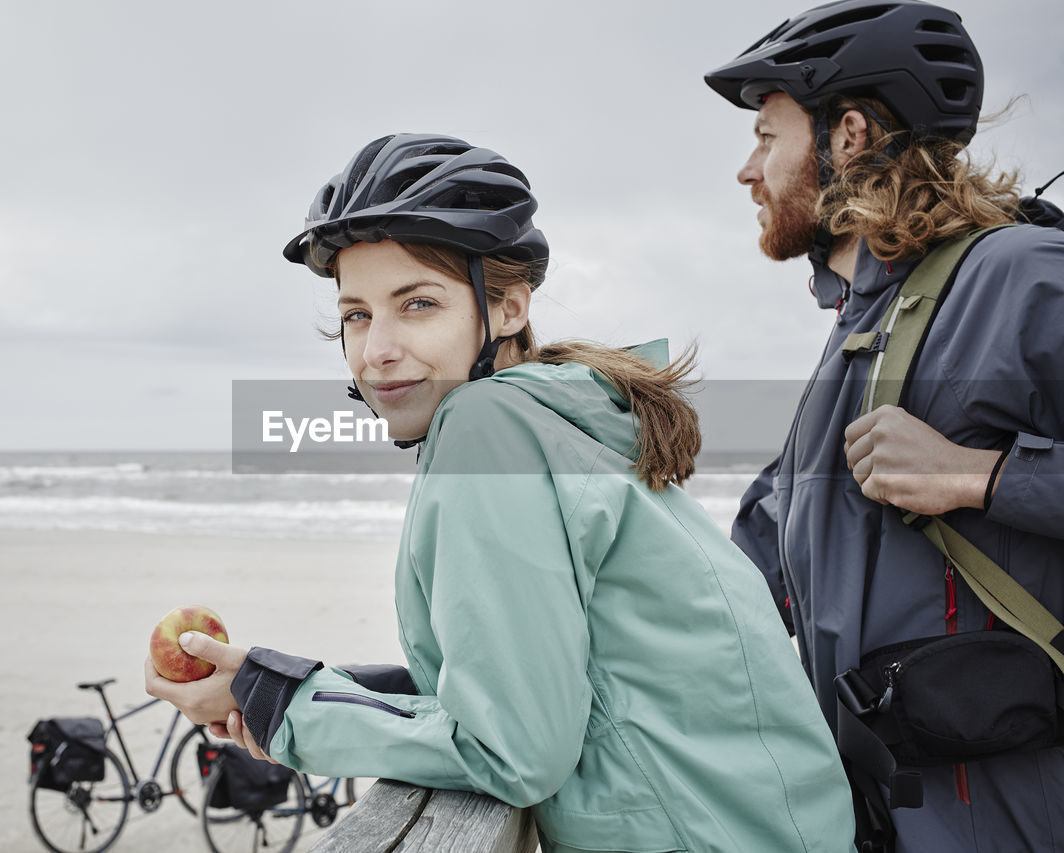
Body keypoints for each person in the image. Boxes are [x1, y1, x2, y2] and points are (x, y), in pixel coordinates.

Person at [146, 132, 855, 852]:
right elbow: (528, 677)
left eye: (417, 303)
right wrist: (284, 687)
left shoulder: (486, 424)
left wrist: (286, 709)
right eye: (357, 313)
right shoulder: (554, 416)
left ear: (509, 307)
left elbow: (514, 750)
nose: (377, 348)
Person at [704, 1, 1064, 850]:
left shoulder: (1018, 276)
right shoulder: (864, 332)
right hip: (889, 814)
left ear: (851, 134)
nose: (748, 170)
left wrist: (984, 478)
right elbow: (753, 564)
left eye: (767, 136)